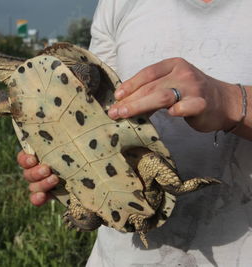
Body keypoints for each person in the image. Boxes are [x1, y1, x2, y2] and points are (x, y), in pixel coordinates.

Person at [17, 0, 252, 266]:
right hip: (121, 246)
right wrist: (52, 166)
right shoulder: (120, 3)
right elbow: (92, 97)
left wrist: (230, 100)